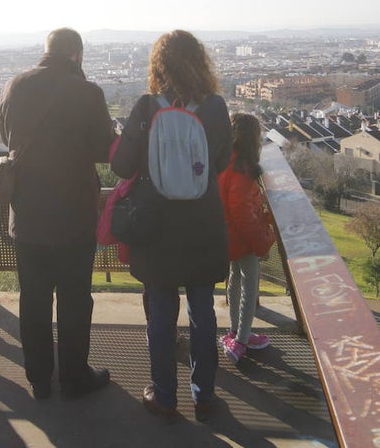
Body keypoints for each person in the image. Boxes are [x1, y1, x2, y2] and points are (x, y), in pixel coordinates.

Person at [110, 30, 231, 423]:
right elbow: (223, 161)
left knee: (160, 313)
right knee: (203, 311)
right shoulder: (214, 107)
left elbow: (121, 166)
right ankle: (205, 395)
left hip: (157, 226)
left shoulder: (147, 108)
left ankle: (164, 395)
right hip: (202, 223)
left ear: (157, 65)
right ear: (200, 61)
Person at [0, 28, 115, 400]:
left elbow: (7, 138)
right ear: (77, 55)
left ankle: (38, 377)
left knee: (32, 299)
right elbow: (103, 147)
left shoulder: (15, 85)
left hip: (28, 213)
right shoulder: (87, 92)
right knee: (75, 299)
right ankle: (74, 376)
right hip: (73, 213)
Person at [218, 113, 274, 363]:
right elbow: (241, 211)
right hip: (241, 237)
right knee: (250, 284)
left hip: (226, 234)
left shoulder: (224, 162)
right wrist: (261, 242)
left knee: (235, 280)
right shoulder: (243, 170)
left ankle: (235, 330)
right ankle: (241, 339)